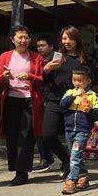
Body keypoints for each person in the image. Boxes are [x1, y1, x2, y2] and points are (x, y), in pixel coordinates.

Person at [0, 25, 44, 186]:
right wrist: (4, 77)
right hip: (11, 100)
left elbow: (42, 79)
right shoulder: (5, 56)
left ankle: (22, 172)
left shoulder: (36, 57)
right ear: (12, 39)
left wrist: (29, 76)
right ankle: (16, 168)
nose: (23, 40)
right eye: (19, 37)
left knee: (26, 135)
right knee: (13, 135)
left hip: (30, 100)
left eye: (26, 37)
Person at [42, 25, 88, 178]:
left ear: (77, 39)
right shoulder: (57, 57)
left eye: (70, 38)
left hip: (73, 104)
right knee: (47, 135)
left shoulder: (84, 60)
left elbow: (88, 83)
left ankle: (76, 169)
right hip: (54, 100)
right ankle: (66, 160)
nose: (66, 41)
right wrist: (46, 70)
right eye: (64, 38)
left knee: (72, 138)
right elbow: (45, 81)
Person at [59, 66, 98, 194]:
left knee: (75, 156)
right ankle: (83, 177)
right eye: (74, 80)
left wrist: (90, 111)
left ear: (88, 81)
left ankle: (71, 180)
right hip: (69, 129)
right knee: (75, 156)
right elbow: (62, 106)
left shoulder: (92, 95)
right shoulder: (69, 93)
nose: (77, 83)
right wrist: (73, 96)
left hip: (82, 130)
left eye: (80, 80)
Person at [32, 35, 55, 173]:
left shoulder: (56, 59)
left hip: (53, 99)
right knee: (40, 131)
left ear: (51, 46)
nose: (40, 48)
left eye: (43, 45)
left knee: (46, 132)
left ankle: (50, 158)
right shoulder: (38, 60)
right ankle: (45, 157)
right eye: (38, 46)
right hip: (41, 97)